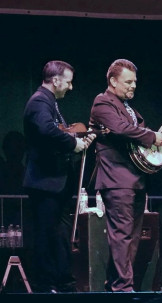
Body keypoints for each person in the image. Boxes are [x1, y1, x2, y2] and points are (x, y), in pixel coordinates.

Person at [89, 59, 162, 292]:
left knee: (131, 239)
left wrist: (159, 135)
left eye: (135, 82)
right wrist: (151, 136)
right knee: (122, 237)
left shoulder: (130, 109)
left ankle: (116, 285)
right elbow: (122, 129)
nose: (133, 86)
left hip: (135, 179)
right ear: (113, 81)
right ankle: (123, 289)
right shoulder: (102, 102)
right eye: (128, 82)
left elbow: (140, 135)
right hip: (117, 180)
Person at [23, 60, 96, 293]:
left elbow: (55, 132)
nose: (71, 87)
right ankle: (46, 285)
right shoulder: (39, 102)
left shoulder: (49, 102)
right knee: (47, 234)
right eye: (68, 82)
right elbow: (47, 129)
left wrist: (80, 142)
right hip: (45, 183)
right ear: (55, 81)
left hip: (55, 183)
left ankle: (64, 281)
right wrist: (73, 143)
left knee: (60, 234)